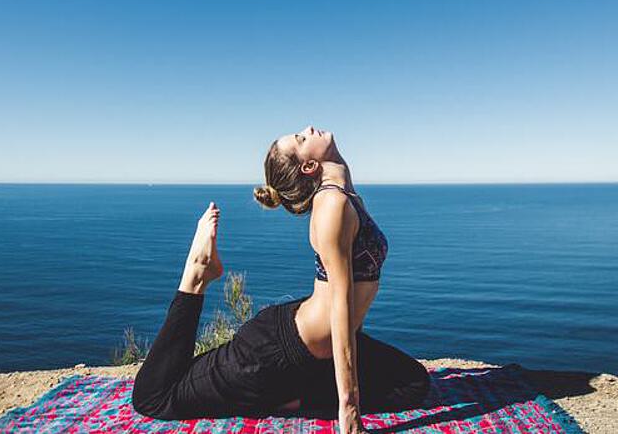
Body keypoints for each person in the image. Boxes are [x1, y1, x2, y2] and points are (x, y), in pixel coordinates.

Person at [132, 125, 430, 433]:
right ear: (309, 166)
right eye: (301, 139)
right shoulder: (332, 206)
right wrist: (349, 408)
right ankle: (196, 274)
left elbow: (351, 307)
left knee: (414, 384)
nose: (308, 129)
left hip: (315, 347)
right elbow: (340, 309)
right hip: (275, 351)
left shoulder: (346, 196)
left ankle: (289, 394)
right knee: (155, 397)